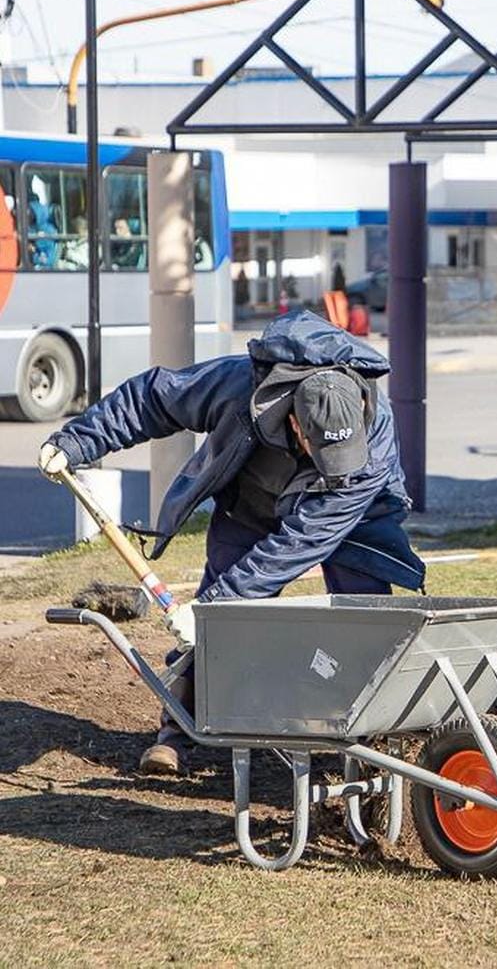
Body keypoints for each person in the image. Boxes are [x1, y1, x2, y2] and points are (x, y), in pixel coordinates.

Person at [37, 310, 426, 775]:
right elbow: (152, 399)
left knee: (364, 621)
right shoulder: (239, 388)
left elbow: (298, 543)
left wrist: (213, 608)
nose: (328, 461)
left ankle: (374, 740)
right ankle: (179, 732)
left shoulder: (371, 440)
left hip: (352, 514)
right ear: (298, 425)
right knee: (218, 629)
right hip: (252, 502)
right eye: (321, 451)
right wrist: (78, 442)